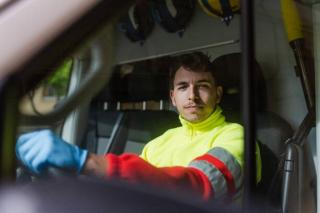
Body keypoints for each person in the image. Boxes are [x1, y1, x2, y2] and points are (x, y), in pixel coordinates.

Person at [16, 52, 261, 202]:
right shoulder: (159, 142)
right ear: (173, 97)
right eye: (183, 87)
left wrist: (89, 163)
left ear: (218, 94)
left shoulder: (237, 137)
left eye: (203, 86)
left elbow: (200, 185)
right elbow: (129, 190)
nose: (193, 96)